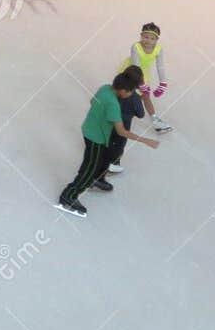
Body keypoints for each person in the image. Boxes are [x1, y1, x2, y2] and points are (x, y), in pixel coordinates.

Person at [55, 68, 157, 218]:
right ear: (123, 91)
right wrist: (146, 140)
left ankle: (95, 179)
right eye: (130, 92)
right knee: (89, 169)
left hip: (89, 129)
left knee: (97, 162)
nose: (130, 95)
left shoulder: (104, 88)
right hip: (96, 138)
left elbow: (92, 101)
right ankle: (68, 196)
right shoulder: (114, 105)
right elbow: (122, 131)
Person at [124, 22, 175, 134]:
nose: (148, 40)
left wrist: (163, 83)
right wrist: (141, 84)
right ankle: (118, 111)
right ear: (141, 36)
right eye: (146, 37)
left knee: (145, 96)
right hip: (131, 71)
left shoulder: (159, 49)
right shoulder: (136, 47)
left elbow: (160, 66)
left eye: (152, 38)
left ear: (157, 40)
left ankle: (156, 121)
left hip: (144, 73)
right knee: (128, 93)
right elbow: (136, 66)